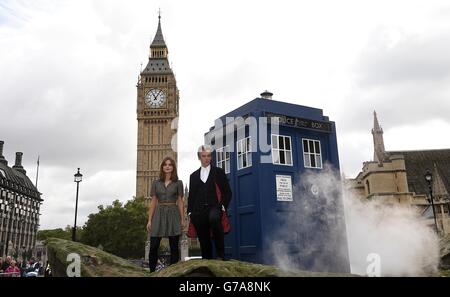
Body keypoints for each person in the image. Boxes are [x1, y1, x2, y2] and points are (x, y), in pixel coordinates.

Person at [188, 145, 232, 260]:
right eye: (204, 156)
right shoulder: (193, 176)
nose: (206, 158)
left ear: (211, 157)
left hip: (215, 207)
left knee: (214, 218)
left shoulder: (219, 172)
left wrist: (222, 206)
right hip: (198, 210)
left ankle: (220, 255)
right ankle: (207, 260)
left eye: (208, 156)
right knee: (203, 239)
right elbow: (191, 196)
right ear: (199, 157)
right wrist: (190, 213)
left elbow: (227, 192)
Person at [146, 156, 185, 272]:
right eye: (165, 164)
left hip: (173, 213)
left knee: (174, 247)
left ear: (173, 167)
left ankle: (172, 272)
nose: (167, 166)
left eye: (170, 164)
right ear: (162, 167)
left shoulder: (178, 183)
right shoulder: (156, 183)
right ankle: (152, 272)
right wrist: (149, 220)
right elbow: (153, 202)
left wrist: (183, 219)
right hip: (159, 212)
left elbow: (181, 202)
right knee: (153, 246)